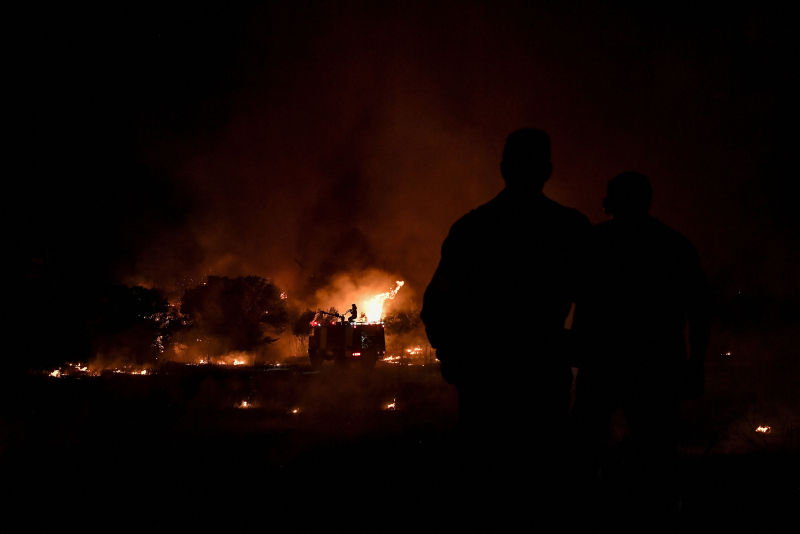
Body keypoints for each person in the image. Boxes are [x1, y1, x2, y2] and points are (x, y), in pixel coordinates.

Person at [420, 128, 591, 521]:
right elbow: (596, 301)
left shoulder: (472, 228)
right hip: (543, 372)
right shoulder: (569, 228)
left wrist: (454, 358)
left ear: (503, 169)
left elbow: (437, 303)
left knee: (488, 486)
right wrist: (576, 348)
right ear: (547, 170)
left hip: (486, 375)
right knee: (542, 485)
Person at [570, 171, 710, 522]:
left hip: (601, 362)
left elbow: (564, 299)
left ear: (609, 204)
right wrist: (695, 364)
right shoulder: (675, 245)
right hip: (657, 366)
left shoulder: (593, 244)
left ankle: (584, 514)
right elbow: (700, 311)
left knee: (584, 452)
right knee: (658, 455)